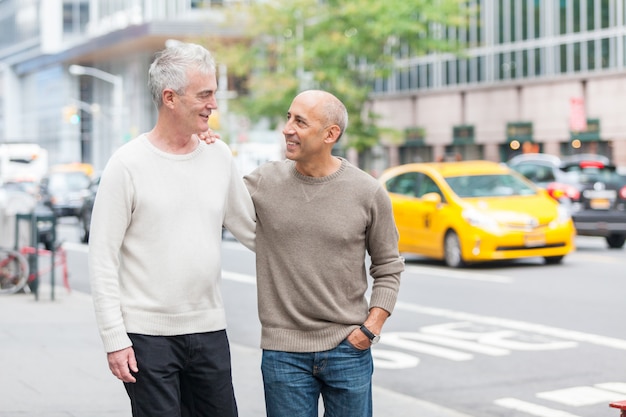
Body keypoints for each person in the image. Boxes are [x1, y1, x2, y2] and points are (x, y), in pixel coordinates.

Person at [88, 42, 255, 417]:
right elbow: (101, 259)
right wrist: (115, 339)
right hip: (147, 338)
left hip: (210, 331)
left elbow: (256, 232)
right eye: (205, 94)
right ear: (171, 98)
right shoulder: (126, 165)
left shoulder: (218, 156)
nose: (214, 104)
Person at [244, 90, 404, 417]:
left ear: (331, 134)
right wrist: (204, 147)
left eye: (300, 121)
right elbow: (210, 199)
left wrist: (370, 328)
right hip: (283, 353)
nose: (288, 128)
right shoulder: (263, 182)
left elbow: (388, 266)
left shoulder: (368, 192)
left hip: (348, 349)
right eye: (288, 117)